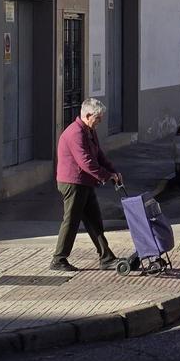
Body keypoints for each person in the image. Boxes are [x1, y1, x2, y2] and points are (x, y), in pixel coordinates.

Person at [51, 98, 123, 271]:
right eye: (98, 118)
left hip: (85, 182)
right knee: (71, 221)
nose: (100, 121)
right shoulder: (76, 133)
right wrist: (107, 176)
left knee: (94, 220)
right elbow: (87, 162)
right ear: (88, 115)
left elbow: (98, 155)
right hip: (73, 183)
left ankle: (106, 257)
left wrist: (114, 171)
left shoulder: (89, 131)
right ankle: (59, 259)